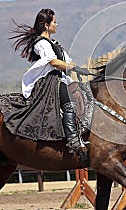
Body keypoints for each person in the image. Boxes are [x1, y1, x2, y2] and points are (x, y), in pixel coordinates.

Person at [10, 8, 90, 153]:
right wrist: (75, 68)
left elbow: (67, 61)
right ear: (46, 25)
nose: (56, 24)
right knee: (69, 104)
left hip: (61, 78)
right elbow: (53, 62)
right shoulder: (41, 43)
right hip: (51, 80)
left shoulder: (53, 43)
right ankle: (72, 140)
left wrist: (78, 69)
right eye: (54, 22)